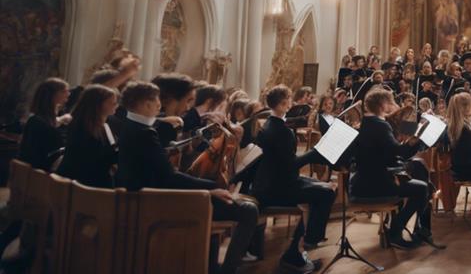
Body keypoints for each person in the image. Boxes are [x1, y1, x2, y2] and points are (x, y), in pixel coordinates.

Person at [114, 82, 259, 274]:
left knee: (224, 202)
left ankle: (210, 267)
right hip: (158, 199)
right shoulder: (144, 133)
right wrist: (211, 187)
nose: (160, 105)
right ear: (145, 104)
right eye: (156, 101)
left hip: (148, 194)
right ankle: (227, 270)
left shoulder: (130, 125)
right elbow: (169, 176)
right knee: (248, 210)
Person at [249, 85, 334, 270]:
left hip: (273, 182)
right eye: (288, 100)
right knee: (326, 194)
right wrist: (315, 153)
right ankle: (307, 243)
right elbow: (292, 165)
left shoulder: (270, 125)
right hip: (278, 188)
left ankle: (300, 247)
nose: (291, 103)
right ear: (282, 104)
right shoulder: (281, 131)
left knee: (324, 188)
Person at [350, 88, 433, 249]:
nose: (393, 105)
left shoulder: (367, 122)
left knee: (415, 175)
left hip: (363, 180)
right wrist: (414, 140)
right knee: (422, 189)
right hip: (376, 184)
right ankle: (395, 232)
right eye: (390, 102)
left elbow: (389, 153)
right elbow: (399, 153)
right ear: (382, 105)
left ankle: (408, 228)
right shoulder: (380, 125)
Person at [57, 85, 119, 187]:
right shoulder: (84, 128)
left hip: (77, 182)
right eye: (111, 102)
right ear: (97, 104)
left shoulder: (93, 125)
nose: (116, 105)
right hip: (83, 186)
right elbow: (98, 161)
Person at [17, 78, 70, 171]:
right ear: (52, 95)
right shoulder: (38, 122)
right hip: (39, 172)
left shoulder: (39, 119)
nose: (68, 94)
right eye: (64, 91)